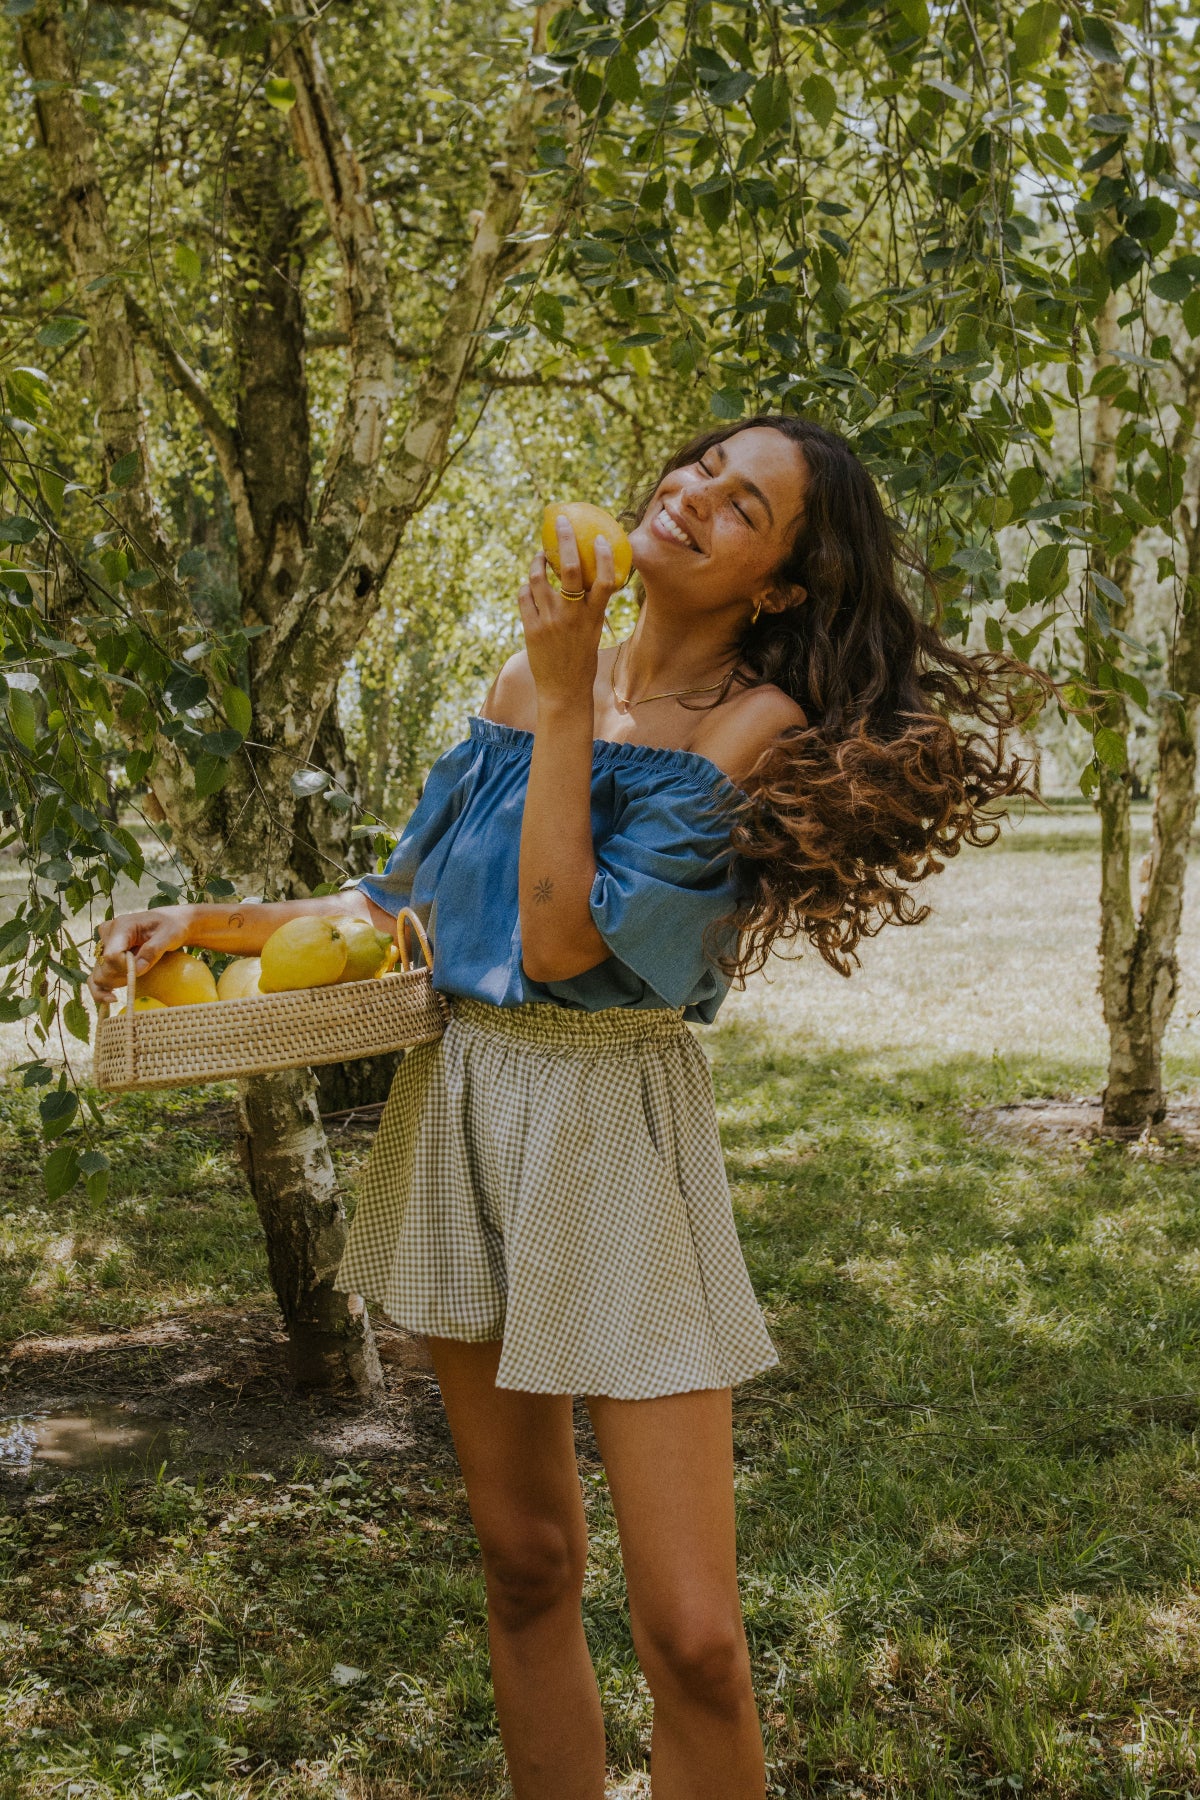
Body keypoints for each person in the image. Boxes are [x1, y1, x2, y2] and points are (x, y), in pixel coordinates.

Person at [88, 416, 1028, 1798]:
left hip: (612, 1134)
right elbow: (398, 906)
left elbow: (563, 938)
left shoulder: (750, 729)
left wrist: (574, 688)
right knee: (526, 1561)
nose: (695, 494)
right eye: (703, 466)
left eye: (745, 505)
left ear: (780, 586)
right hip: (463, 1109)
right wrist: (205, 921)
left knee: (696, 1639)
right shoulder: (524, 682)